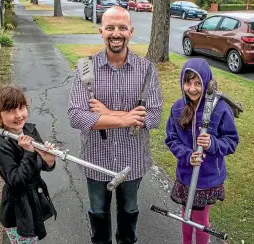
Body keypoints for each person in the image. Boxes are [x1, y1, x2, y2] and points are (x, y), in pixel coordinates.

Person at [68, 6, 163, 244]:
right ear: (101, 31)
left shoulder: (146, 70)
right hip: (96, 159)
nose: (116, 33)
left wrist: (107, 114)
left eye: (122, 27)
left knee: (129, 212)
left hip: (133, 159)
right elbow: (76, 117)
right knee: (98, 213)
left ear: (130, 31)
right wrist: (126, 118)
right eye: (110, 27)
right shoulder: (85, 69)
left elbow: (153, 116)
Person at [165, 58, 239, 244]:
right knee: (185, 216)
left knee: (199, 220)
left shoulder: (219, 108)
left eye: (198, 83)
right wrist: (186, 155)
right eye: (188, 82)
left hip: (207, 178)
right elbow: (171, 139)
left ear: (206, 82)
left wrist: (212, 143)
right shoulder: (178, 108)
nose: (192, 88)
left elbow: (231, 141)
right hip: (185, 175)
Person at [0, 84, 58, 243]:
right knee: (26, 239)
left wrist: (49, 159)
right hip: (19, 208)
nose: (18, 115)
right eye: (10, 111)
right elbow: (16, 181)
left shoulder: (29, 130)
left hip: (34, 199)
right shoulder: (1, 146)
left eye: (21, 108)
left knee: (33, 238)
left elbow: (41, 164)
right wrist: (28, 152)